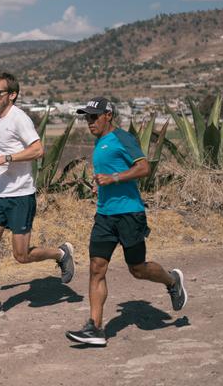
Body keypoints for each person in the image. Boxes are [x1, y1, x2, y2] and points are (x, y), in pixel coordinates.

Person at [66, 96, 187, 346]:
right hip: (104, 216)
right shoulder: (99, 143)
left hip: (130, 215)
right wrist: (101, 187)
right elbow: (107, 176)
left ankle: (172, 280)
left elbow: (144, 168)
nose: (89, 122)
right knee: (96, 268)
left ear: (108, 115)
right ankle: (95, 328)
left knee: (138, 269)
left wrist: (115, 178)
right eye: (86, 117)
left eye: (93, 117)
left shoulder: (123, 138)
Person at [0, 71, 75, 321]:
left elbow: (38, 150)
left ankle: (61, 254)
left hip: (21, 196)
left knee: (21, 256)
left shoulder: (19, 119)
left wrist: (8, 158)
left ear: (11, 95)